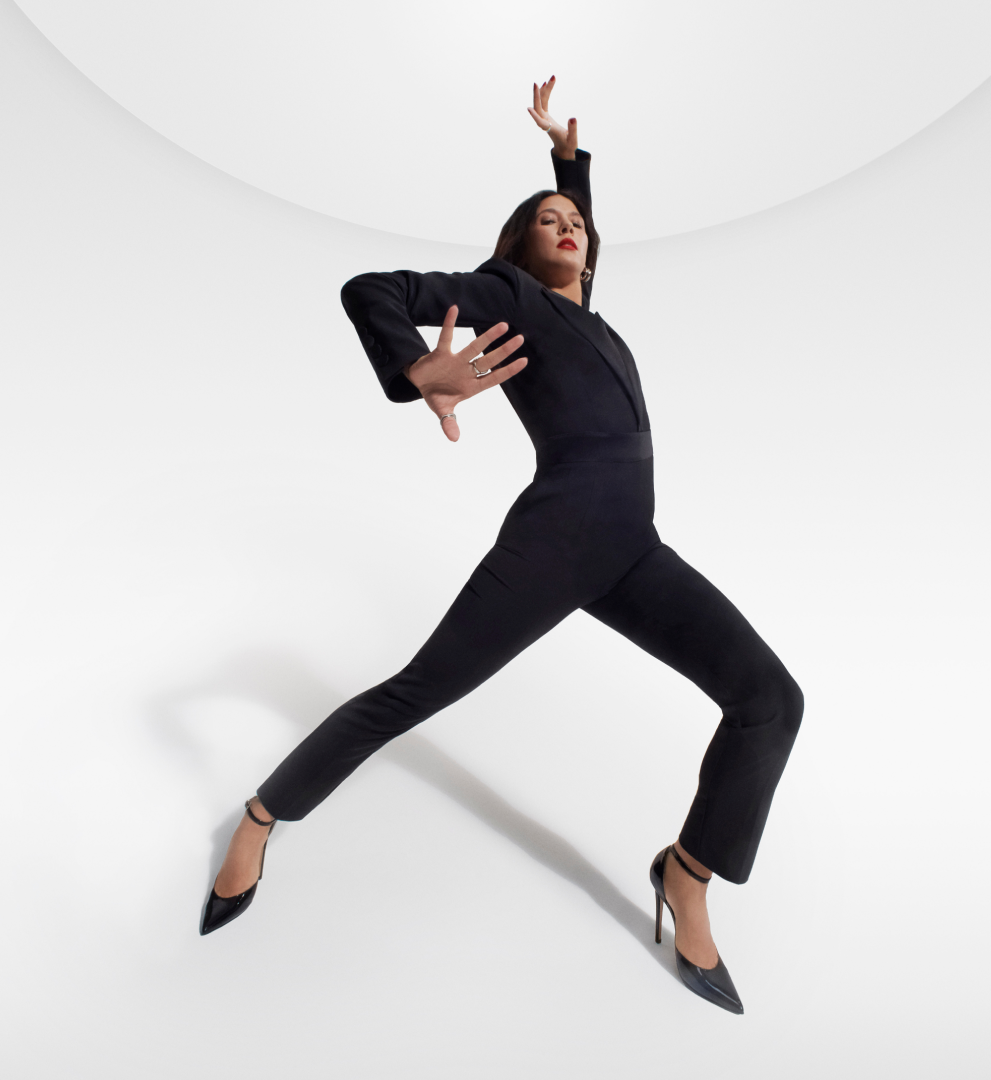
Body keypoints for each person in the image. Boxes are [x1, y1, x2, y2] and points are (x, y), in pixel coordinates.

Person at [201, 77, 804, 1014]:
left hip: (633, 550)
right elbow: (371, 289)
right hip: (558, 537)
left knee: (770, 699)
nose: (570, 229)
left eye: (578, 224)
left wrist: (567, 162)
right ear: (521, 245)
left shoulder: (586, 309)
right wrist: (415, 366)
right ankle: (260, 816)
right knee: (416, 691)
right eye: (550, 221)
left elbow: (581, 240)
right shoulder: (508, 293)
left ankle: (687, 874)